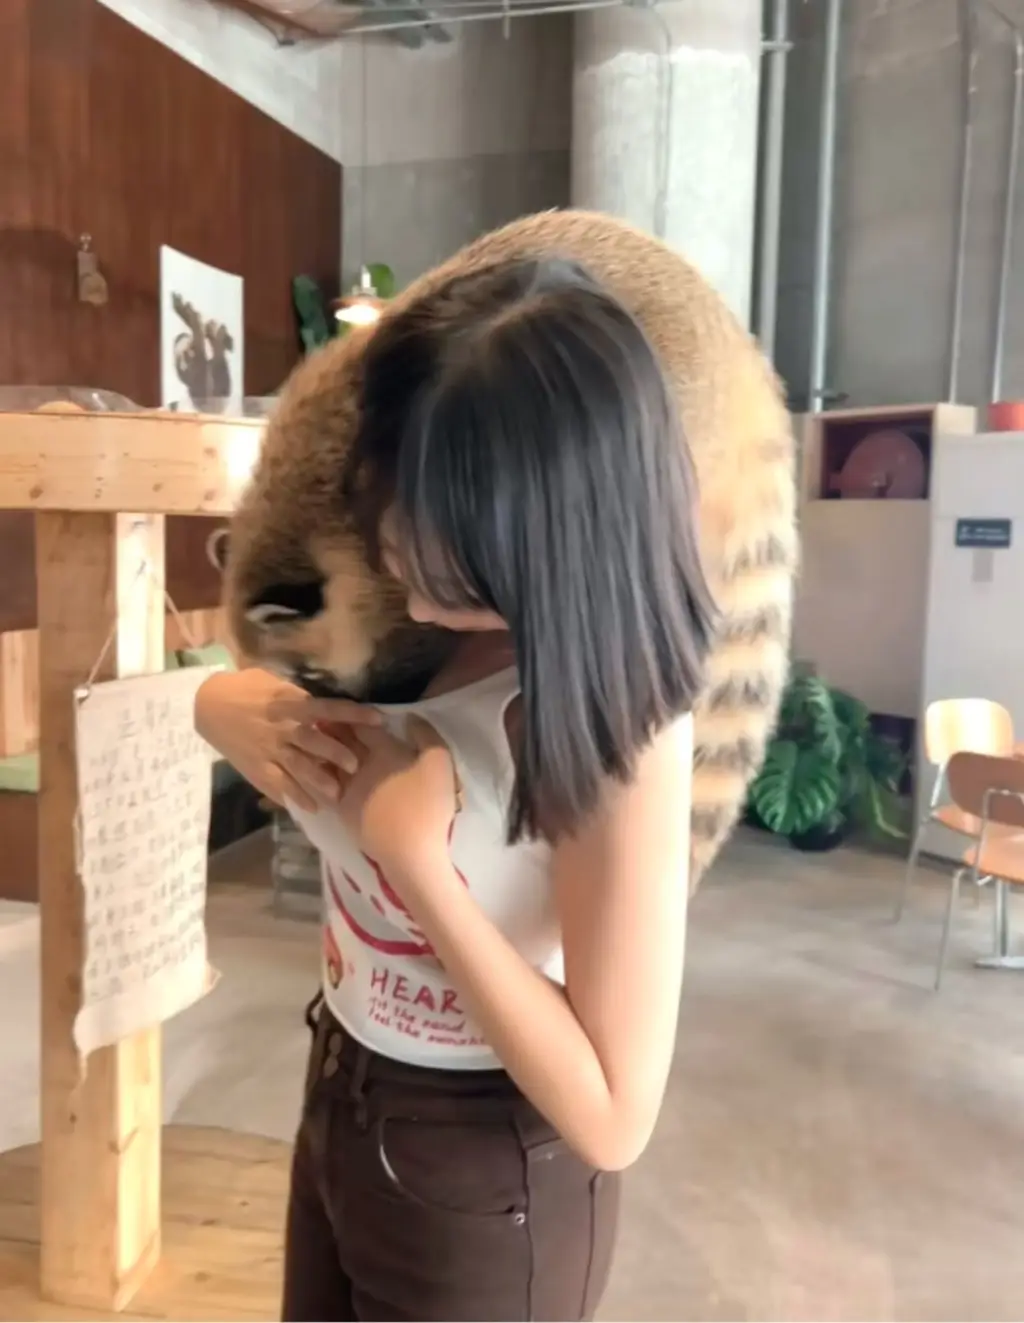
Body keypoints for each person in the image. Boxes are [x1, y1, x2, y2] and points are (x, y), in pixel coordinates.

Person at [195, 256, 716, 1321]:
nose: (398, 557)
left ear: (545, 538)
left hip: (484, 1165)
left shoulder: (620, 729)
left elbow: (614, 1116)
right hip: (342, 1083)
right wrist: (216, 704)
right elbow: (297, 709)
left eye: (440, 549)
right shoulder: (415, 613)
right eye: (390, 513)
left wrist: (420, 871)